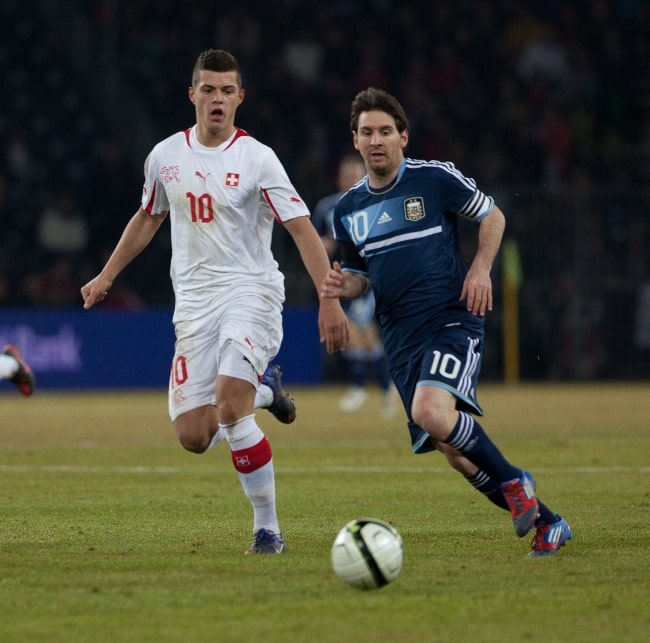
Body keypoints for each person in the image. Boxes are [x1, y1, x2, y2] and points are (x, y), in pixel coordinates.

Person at [81, 49, 348, 555]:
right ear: (193, 95)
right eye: (209, 89)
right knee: (195, 434)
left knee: (228, 407)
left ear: (240, 98)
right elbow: (148, 217)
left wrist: (327, 299)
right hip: (195, 307)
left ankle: (267, 529)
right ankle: (266, 391)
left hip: (251, 293)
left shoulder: (258, 159)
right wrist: (107, 275)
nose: (218, 99)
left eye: (227, 91)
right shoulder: (164, 157)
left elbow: (300, 229)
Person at [321, 87, 571, 556]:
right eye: (367, 132)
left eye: (385, 131)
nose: (377, 140)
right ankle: (548, 523)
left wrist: (479, 269)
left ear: (403, 137)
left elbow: (492, 215)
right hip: (399, 338)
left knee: (430, 413)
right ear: (355, 140)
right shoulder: (348, 210)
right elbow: (358, 278)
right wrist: (341, 287)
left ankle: (517, 481)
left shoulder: (433, 179)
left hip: (449, 319)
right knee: (455, 453)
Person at [312, 154, 396, 417]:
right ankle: (384, 387)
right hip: (337, 278)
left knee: (361, 331)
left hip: (364, 278)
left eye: (355, 173)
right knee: (360, 334)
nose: (350, 178)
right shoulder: (327, 207)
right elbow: (316, 241)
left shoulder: (374, 202)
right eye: (346, 173)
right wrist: (324, 246)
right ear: (339, 177)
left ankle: (362, 386)